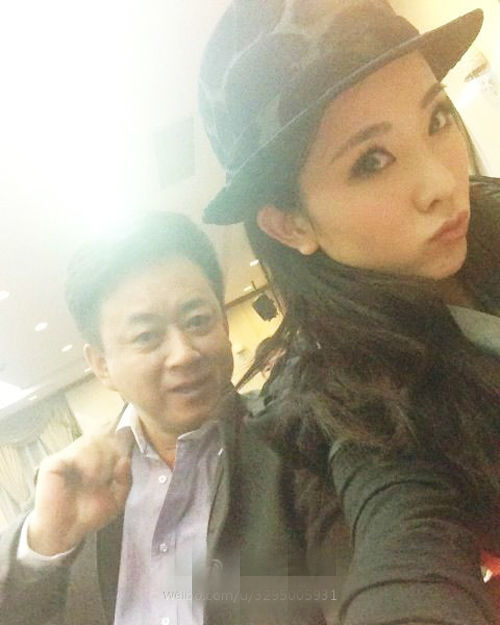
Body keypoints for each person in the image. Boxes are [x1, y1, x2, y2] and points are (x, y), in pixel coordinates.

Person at [199, 1, 500, 623]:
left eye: (437, 117)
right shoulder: (357, 400)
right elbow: (406, 542)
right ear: (292, 225)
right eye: (372, 161)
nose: (441, 184)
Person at [0, 212, 350, 625]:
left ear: (224, 325)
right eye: (147, 336)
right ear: (102, 365)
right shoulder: (72, 482)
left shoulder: (297, 439)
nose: (184, 353)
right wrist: (44, 545)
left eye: (198, 321)